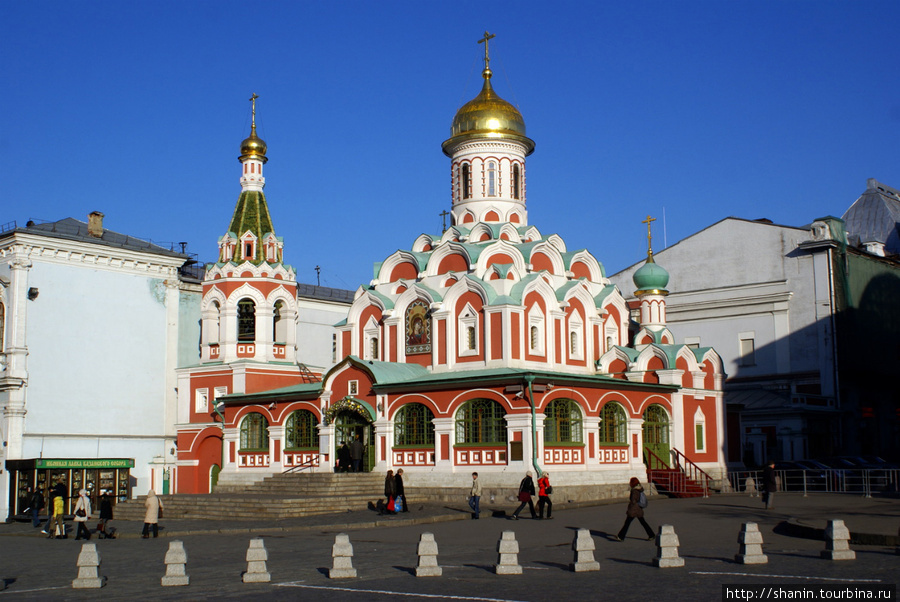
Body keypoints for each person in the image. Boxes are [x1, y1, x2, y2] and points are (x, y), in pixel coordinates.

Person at [615, 477, 654, 541]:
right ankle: (651, 535)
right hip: (638, 509)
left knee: (627, 523)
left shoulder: (634, 491)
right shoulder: (640, 489)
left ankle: (621, 536)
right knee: (643, 522)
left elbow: (633, 500)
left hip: (634, 510)